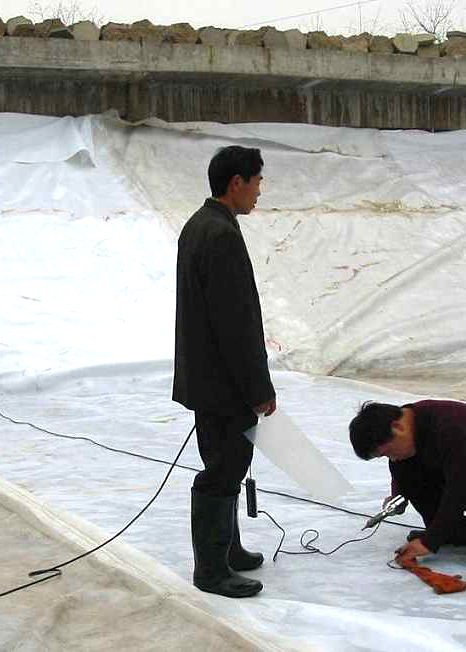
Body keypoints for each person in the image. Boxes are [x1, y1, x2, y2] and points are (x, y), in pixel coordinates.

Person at [173, 145, 276, 599]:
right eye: (256, 182)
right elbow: (236, 324)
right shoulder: (221, 235)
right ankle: (212, 569)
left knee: (225, 464)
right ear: (236, 182)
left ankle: (228, 549)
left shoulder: (200, 225)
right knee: (222, 470)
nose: (259, 191)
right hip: (225, 384)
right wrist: (258, 387)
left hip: (206, 379)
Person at [349, 400, 466, 570]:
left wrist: (430, 541)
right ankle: (453, 532)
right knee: (406, 463)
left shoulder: (449, 424)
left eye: (388, 452)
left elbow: (459, 484)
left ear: (398, 427)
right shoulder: (408, 432)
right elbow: (402, 470)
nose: (391, 458)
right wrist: (397, 496)